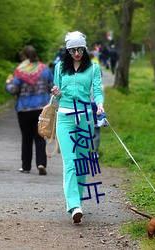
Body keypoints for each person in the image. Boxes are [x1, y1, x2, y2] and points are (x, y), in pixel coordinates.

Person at [51, 31, 104, 223]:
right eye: (72, 50)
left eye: (80, 49)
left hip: (85, 118)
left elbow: (97, 90)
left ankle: (78, 201)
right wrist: (56, 92)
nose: (76, 53)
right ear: (67, 50)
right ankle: (74, 205)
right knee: (70, 162)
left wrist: (99, 104)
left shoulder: (93, 68)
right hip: (65, 117)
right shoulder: (59, 68)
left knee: (82, 163)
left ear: (85, 48)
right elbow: (57, 96)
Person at [5, 45, 54, 175]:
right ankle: (41, 163)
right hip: (41, 109)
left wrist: (8, 83)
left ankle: (26, 166)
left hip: (24, 109)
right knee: (40, 137)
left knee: (26, 138)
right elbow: (52, 87)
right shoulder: (45, 70)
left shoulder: (20, 71)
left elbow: (13, 90)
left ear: (24, 57)